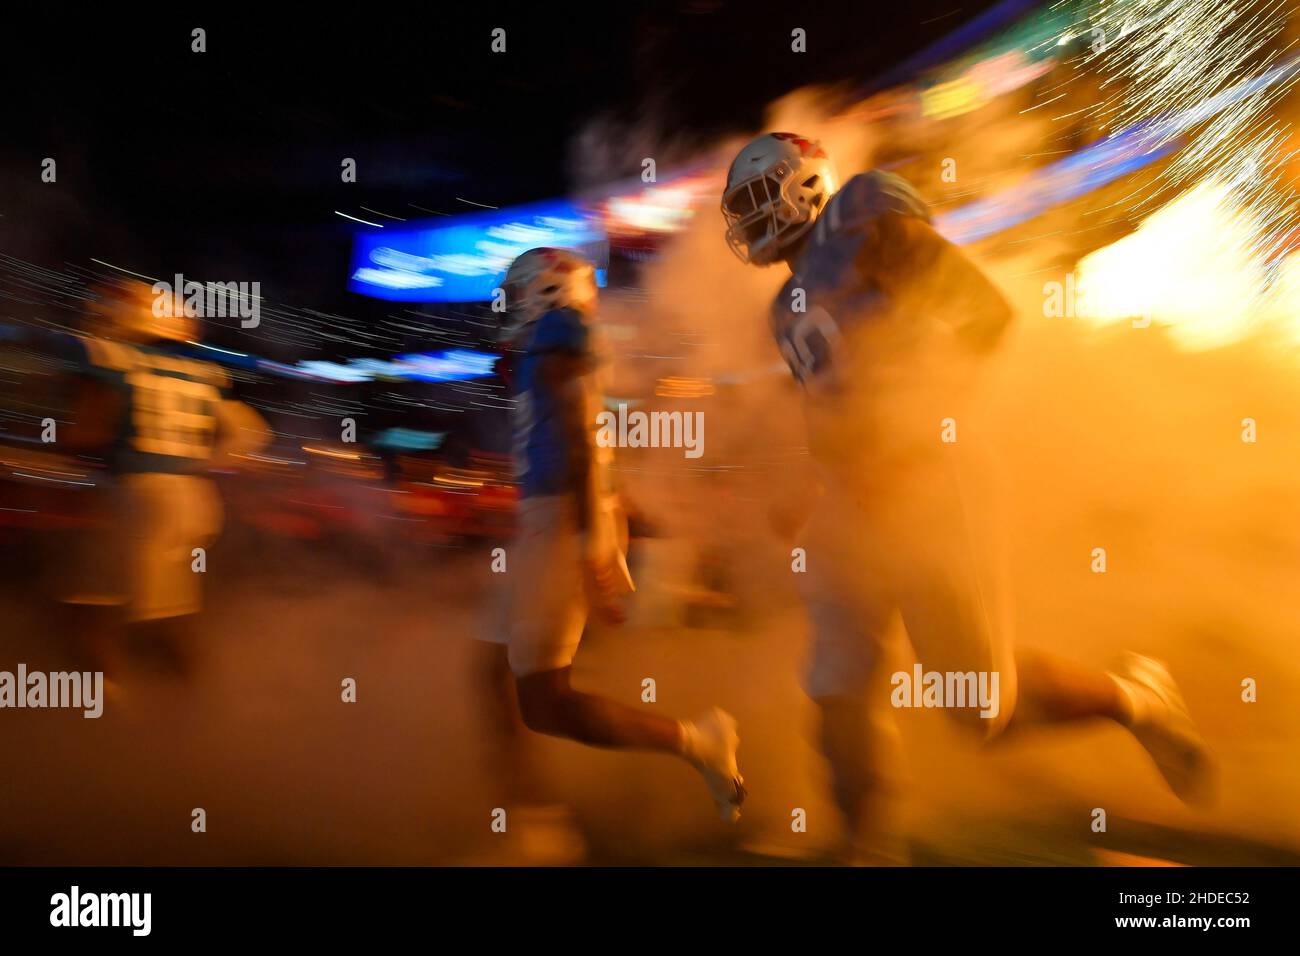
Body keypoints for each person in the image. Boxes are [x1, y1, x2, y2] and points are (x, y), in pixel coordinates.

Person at [721, 132, 1209, 863]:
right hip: (854, 504)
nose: (752, 219)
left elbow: (984, 315)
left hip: (931, 481)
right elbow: (831, 408)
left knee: (980, 710)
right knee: (836, 680)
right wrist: (816, 483)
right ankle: (869, 847)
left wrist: (915, 435)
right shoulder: (783, 306)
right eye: (742, 207)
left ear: (808, 183)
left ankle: (1135, 696)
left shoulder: (864, 218)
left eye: (762, 196)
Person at [472, 248, 745, 861]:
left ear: (547, 294)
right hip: (551, 519)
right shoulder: (555, 338)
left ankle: (698, 741)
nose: (509, 306)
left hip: (559, 522)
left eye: (518, 292)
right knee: (492, 678)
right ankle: (536, 827)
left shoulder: (559, 327)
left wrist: (588, 547)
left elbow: (577, 442)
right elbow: (584, 437)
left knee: (546, 703)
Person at [47, 280, 269, 682]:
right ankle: (176, 705)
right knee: (149, 605)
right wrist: (203, 465)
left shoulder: (114, 359)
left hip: (139, 497)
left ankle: (129, 712)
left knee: (104, 610)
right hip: (193, 500)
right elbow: (251, 432)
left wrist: (60, 448)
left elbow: (88, 433)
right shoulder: (203, 372)